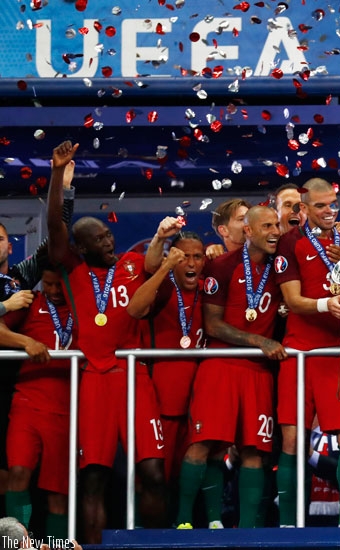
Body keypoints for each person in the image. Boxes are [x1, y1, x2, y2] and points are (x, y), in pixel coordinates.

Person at [47, 141, 167, 543]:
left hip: (134, 376)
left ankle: (156, 545)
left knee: (153, 472)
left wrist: (163, 240)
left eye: (109, 234)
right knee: (94, 477)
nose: (109, 242)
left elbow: (155, 264)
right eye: (99, 239)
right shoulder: (73, 270)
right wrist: (57, 176)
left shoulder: (132, 265)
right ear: (82, 248)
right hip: (96, 381)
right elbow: (55, 228)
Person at [273, 177, 340, 527]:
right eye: (320, 206)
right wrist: (325, 304)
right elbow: (292, 300)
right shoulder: (290, 242)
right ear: (304, 208)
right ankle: (288, 525)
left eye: (333, 203)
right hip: (300, 353)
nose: (329, 211)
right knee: (292, 440)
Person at [183, 205, 286, 529]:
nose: (275, 232)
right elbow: (213, 325)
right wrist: (260, 341)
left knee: (255, 451)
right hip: (222, 364)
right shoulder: (222, 265)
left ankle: (248, 530)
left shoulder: (281, 267)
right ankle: (186, 521)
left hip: (258, 371)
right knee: (205, 444)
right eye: (267, 226)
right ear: (249, 231)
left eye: (277, 225)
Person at [127, 221, 208, 528]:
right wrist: (164, 265)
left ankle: (184, 530)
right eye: (184, 257)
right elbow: (135, 310)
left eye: (198, 257)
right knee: (154, 473)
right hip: (160, 396)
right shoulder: (161, 289)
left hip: (196, 398)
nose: (192, 264)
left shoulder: (210, 289)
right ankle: (144, 534)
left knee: (190, 471)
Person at [0, 265, 75, 541]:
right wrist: (26, 342)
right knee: (18, 474)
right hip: (27, 403)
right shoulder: (31, 302)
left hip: (67, 410)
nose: (53, 291)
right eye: (48, 284)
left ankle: (56, 546)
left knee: (58, 494)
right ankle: (19, 544)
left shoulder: (86, 307)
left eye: (59, 285)